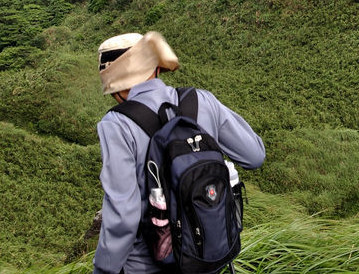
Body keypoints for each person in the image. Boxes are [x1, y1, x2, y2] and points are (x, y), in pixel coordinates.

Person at [94, 32, 266, 274]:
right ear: (154, 68)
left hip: (148, 265)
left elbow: (123, 216)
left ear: (116, 85)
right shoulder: (202, 100)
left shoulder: (116, 125)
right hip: (207, 256)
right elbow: (255, 155)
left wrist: (103, 269)